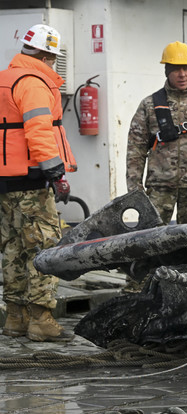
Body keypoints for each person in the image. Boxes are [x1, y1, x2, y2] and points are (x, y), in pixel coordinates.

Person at [0, 24, 77, 342]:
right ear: (47, 54)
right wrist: (56, 174)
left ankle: (15, 317)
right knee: (45, 247)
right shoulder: (32, 83)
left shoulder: (6, 78)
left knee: (14, 248)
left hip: (6, 182)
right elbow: (38, 131)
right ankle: (41, 319)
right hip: (31, 180)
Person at [126, 41, 187, 225]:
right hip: (159, 188)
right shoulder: (149, 105)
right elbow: (135, 149)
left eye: (186, 68)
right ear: (167, 71)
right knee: (151, 238)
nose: (182, 74)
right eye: (176, 69)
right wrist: (134, 188)